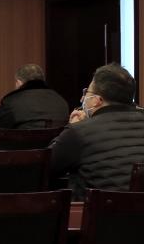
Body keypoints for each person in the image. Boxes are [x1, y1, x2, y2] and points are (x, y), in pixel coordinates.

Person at [50, 64, 144, 199]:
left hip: (98, 211)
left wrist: (72, 127)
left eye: (87, 93)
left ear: (97, 100)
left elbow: (45, 167)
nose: (82, 99)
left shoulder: (79, 132)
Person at [0, 64, 69, 129]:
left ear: (19, 82)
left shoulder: (11, 102)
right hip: (54, 143)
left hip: (22, 143)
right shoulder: (61, 101)